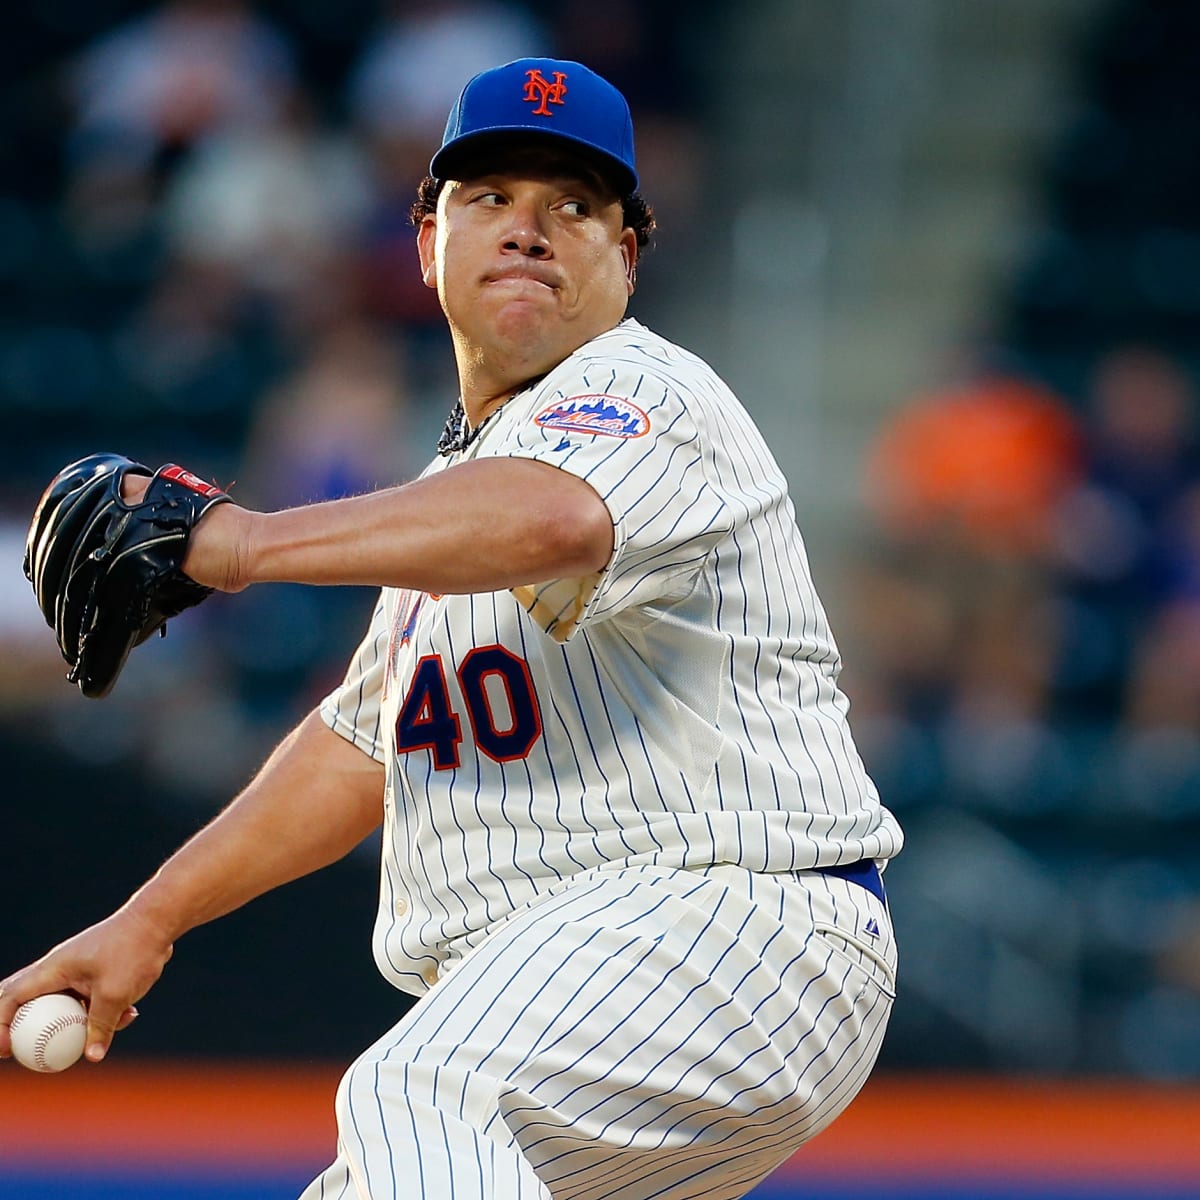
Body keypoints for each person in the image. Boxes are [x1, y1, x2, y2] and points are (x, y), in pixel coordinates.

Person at [0, 58, 902, 1200]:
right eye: (491, 199)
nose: (530, 230)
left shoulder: (646, 393)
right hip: (585, 986)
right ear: (427, 241)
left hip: (730, 926)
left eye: (575, 207)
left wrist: (238, 543)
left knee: (424, 1096)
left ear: (625, 258)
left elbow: (554, 518)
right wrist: (149, 921)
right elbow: (362, 744)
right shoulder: (452, 496)